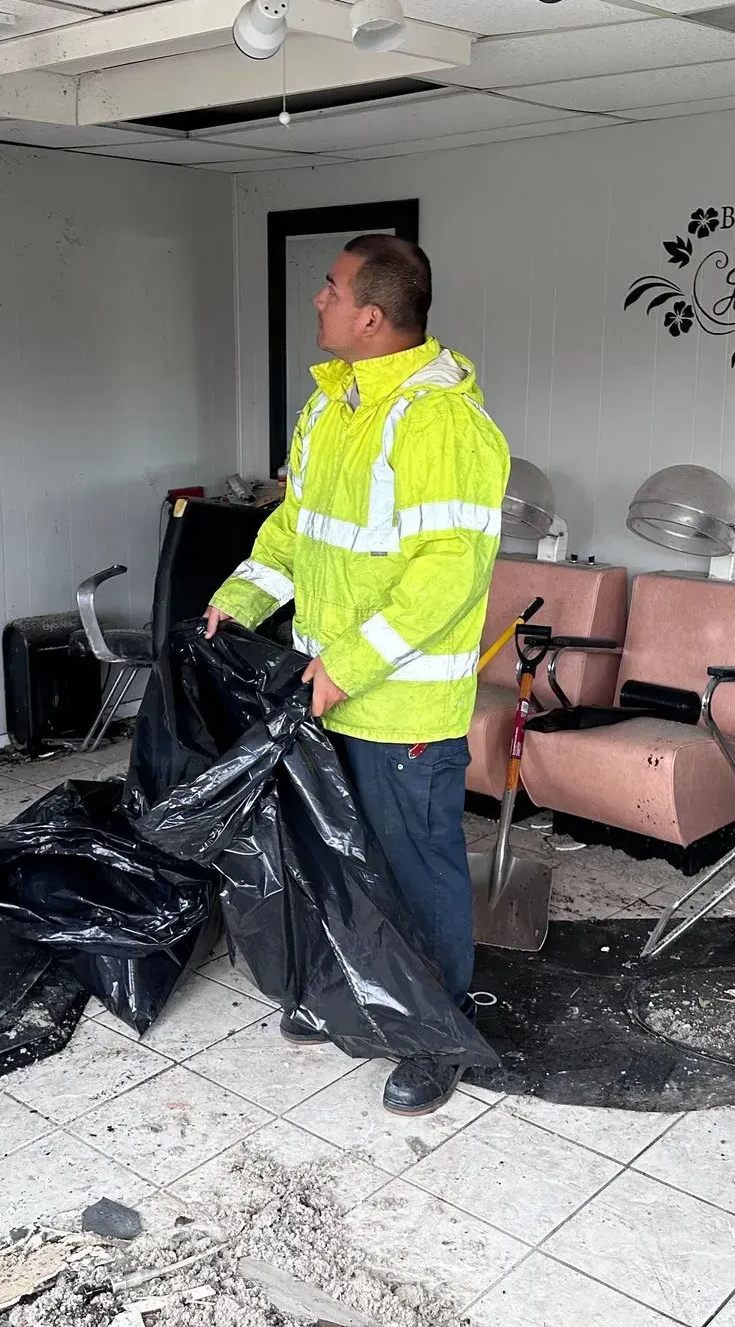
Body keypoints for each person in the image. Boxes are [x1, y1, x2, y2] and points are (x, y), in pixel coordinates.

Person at [205, 235, 509, 1116]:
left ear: (372, 316)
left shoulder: (438, 420)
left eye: (330, 290)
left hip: (401, 701)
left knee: (417, 870)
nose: (318, 302)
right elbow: (297, 529)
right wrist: (238, 602)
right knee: (341, 859)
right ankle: (354, 995)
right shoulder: (332, 408)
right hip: (328, 688)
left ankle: (431, 1035)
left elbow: (446, 572)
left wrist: (350, 662)